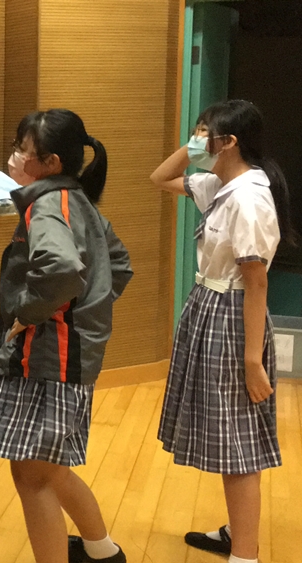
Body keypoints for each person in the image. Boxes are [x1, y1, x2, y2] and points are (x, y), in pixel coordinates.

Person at [0, 109, 132, 563]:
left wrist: (29, 312)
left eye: (22, 149)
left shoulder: (48, 205)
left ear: (51, 162)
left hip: (48, 356)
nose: (13, 157)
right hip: (66, 354)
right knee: (49, 470)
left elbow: (60, 269)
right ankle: (102, 551)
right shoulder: (78, 201)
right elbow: (118, 266)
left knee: (32, 477)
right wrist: (88, 310)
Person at [150, 99, 296, 563]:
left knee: (238, 441)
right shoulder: (221, 183)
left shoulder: (249, 198)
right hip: (209, 307)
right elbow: (160, 178)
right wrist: (193, 146)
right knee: (226, 432)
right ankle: (238, 531)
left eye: (203, 132)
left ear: (229, 142)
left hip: (231, 314)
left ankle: (245, 555)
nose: (196, 139)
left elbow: (256, 283)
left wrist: (253, 361)